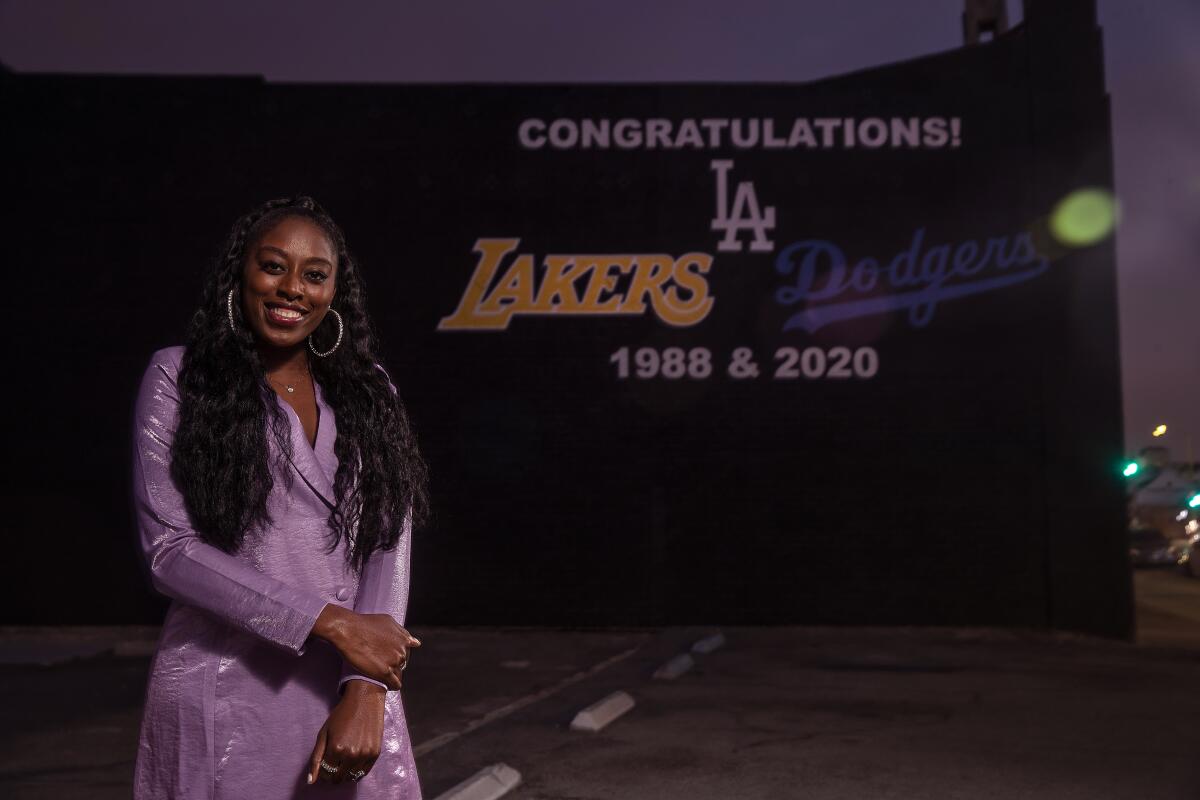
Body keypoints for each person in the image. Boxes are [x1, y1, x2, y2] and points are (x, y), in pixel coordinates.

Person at [130, 196, 430, 798]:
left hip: (345, 686)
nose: (292, 288)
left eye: (314, 275)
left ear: (334, 293)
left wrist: (367, 688)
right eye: (273, 266)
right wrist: (330, 622)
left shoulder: (370, 393)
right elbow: (170, 551)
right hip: (222, 687)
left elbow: (386, 543)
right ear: (240, 274)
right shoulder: (180, 378)